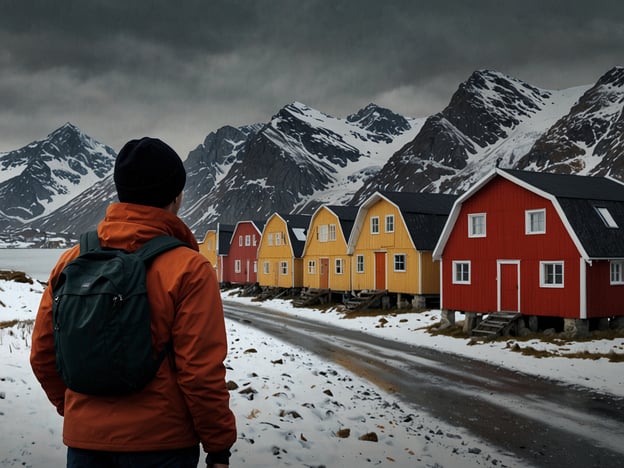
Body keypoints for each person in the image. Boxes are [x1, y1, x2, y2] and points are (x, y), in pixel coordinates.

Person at [30, 137, 236, 467]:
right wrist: (219, 445)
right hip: (163, 445)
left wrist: (80, 413)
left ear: (120, 192)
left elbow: (42, 355)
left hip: (85, 447)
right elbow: (200, 373)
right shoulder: (190, 268)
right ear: (176, 196)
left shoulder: (71, 261)